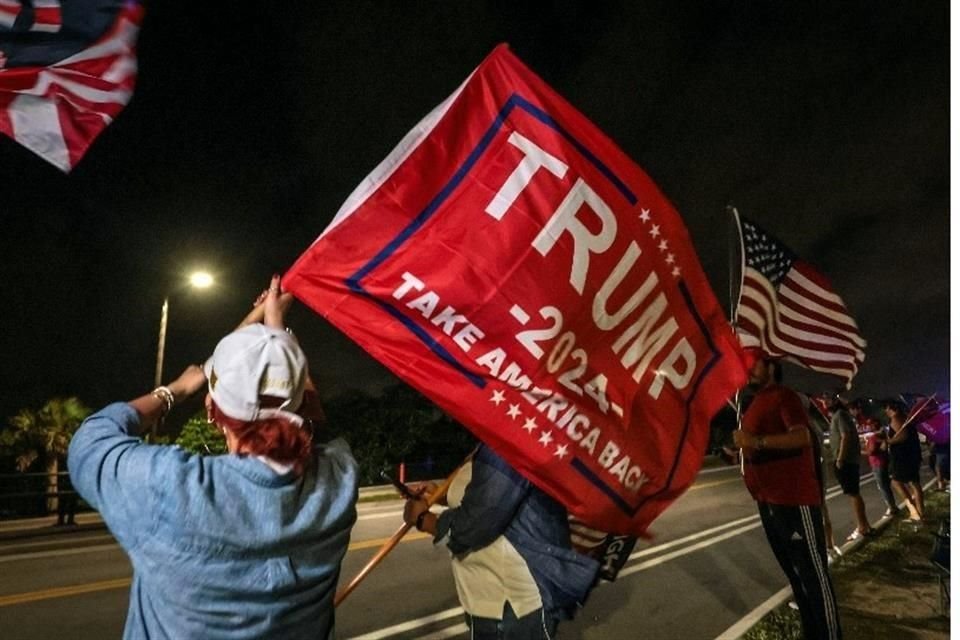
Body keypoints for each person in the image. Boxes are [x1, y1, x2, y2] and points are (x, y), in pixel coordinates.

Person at [68, 277, 358, 640]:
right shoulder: (339, 479)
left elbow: (91, 439)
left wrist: (175, 389)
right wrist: (275, 334)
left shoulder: (170, 487)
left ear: (211, 410)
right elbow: (307, 411)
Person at [403, 443, 600, 639]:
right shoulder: (485, 445)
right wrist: (440, 494)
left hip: (512, 604)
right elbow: (482, 496)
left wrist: (423, 520)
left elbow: (478, 521)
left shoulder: (509, 444)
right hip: (484, 597)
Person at [733, 355, 841, 640]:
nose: (748, 369)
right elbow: (760, 447)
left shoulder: (784, 396)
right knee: (795, 575)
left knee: (813, 576)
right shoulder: (755, 404)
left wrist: (755, 441)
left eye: (754, 363)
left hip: (793, 500)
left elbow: (801, 437)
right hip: (768, 502)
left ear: (772, 368)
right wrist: (740, 450)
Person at [826, 396, 873, 540]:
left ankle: (862, 527)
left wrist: (840, 458)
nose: (824, 403)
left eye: (826, 400)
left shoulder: (840, 415)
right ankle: (865, 525)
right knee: (854, 493)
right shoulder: (843, 415)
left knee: (853, 494)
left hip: (846, 461)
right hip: (850, 460)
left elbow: (845, 436)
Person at [882, 399, 924, 520]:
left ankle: (913, 511)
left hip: (902, 457)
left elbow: (903, 436)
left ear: (892, 409)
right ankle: (920, 512)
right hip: (912, 455)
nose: (886, 411)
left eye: (887, 408)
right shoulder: (906, 418)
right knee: (914, 484)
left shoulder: (896, 419)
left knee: (896, 482)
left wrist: (887, 441)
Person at [862, 410, 899, 516]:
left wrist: (860, 451)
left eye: (870, 425)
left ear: (874, 425)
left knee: (883, 486)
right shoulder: (882, 435)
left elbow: (871, 451)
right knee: (886, 485)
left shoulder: (874, 437)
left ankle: (892, 507)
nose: (868, 427)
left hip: (878, 464)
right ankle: (893, 506)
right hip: (884, 462)